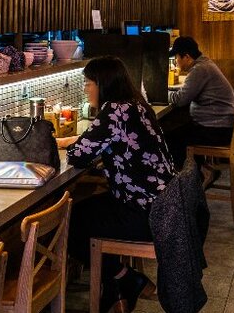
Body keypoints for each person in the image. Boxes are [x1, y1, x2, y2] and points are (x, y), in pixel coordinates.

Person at [57, 56, 175, 313]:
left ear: (103, 83)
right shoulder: (136, 105)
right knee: (85, 211)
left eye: (89, 83)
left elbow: (78, 155)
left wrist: (76, 143)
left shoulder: (114, 111)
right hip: (162, 205)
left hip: (144, 213)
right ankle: (119, 292)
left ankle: (125, 277)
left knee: (69, 222)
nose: (86, 89)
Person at [164, 37, 234, 169]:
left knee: (171, 138)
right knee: (180, 130)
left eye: (177, 57)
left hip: (216, 131)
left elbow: (180, 100)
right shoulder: (204, 64)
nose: (176, 61)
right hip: (219, 126)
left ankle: (188, 180)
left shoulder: (199, 69)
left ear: (186, 57)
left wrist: (161, 93)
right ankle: (201, 173)